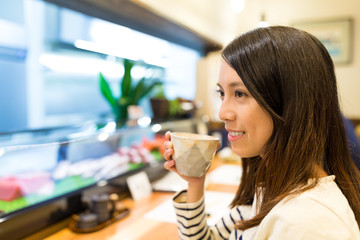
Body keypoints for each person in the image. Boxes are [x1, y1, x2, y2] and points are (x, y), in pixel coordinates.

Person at [163, 26, 360, 239]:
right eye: (222, 93)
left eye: (240, 93)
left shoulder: (307, 223)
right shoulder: (270, 183)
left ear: (290, 101)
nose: (223, 113)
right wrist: (194, 181)